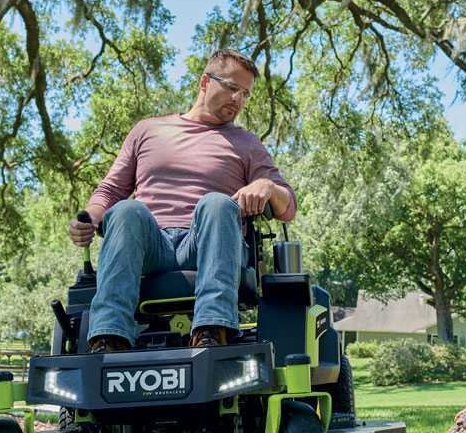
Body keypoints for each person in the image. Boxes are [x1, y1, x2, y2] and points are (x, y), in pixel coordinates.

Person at [69, 49, 297, 352]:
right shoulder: (147, 130)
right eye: (232, 87)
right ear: (205, 82)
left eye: (245, 94)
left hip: (207, 242)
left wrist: (266, 186)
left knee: (217, 203)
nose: (238, 100)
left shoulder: (247, 143)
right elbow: (109, 191)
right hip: (151, 245)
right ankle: (108, 338)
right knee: (125, 210)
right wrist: (89, 218)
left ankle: (211, 330)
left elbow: (288, 207)